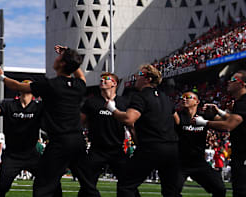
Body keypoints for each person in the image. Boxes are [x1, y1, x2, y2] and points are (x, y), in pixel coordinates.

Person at [0, 44, 86, 197]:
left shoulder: (50, 85)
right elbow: (81, 76)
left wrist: (1, 77)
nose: (56, 58)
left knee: (43, 186)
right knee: (87, 183)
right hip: (78, 141)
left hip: (60, 142)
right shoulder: (79, 85)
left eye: (59, 57)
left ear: (62, 64)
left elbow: (17, 85)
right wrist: (68, 55)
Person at [107, 64, 180, 197]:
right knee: (171, 191)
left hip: (151, 147)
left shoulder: (141, 96)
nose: (136, 77)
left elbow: (129, 119)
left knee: (126, 185)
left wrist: (113, 109)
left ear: (148, 79)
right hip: (171, 147)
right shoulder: (165, 98)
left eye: (140, 75)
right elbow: (177, 121)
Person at [78, 72, 139, 197]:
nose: (102, 80)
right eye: (101, 79)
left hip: (117, 150)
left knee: (128, 183)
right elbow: (80, 123)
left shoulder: (123, 102)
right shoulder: (92, 102)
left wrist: (138, 143)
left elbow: (131, 125)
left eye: (106, 79)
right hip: (96, 150)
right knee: (87, 184)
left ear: (114, 83)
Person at [0, 78, 43, 197]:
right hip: (12, 155)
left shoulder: (38, 107)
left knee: (50, 181)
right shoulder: (9, 105)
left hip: (31, 154)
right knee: (3, 186)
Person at [172, 91, 226, 197]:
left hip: (199, 162)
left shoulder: (204, 117)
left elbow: (227, 124)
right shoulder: (178, 116)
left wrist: (218, 111)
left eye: (188, 97)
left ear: (196, 101)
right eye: (182, 97)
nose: (184, 99)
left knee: (220, 189)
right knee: (171, 192)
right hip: (180, 163)